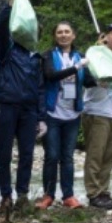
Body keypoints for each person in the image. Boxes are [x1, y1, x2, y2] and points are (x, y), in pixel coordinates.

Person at [0, 0, 44, 214]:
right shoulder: (8, 51)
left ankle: (22, 194)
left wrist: (41, 117)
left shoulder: (36, 58)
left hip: (29, 110)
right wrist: (9, 6)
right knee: (4, 152)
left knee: (27, 153)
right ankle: (5, 195)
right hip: (6, 105)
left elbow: (40, 89)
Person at [35, 21, 89, 210]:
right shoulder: (48, 56)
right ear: (55, 36)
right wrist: (75, 68)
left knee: (67, 156)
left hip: (73, 114)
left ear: (73, 35)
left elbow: (88, 80)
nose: (64, 35)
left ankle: (68, 196)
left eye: (67, 32)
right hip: (52, 112)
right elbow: (50, 75)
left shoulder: (80, 56)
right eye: (60, 32)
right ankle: (48, 195)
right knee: (52, 155)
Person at [82, 22, 112, 209]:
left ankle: (104, 192)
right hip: (96, 111)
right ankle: (93, 193)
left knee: (109, 157)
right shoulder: (94, 53)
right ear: (106, 36)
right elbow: (88, 75)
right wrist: (97, 47)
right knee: (95, 154)